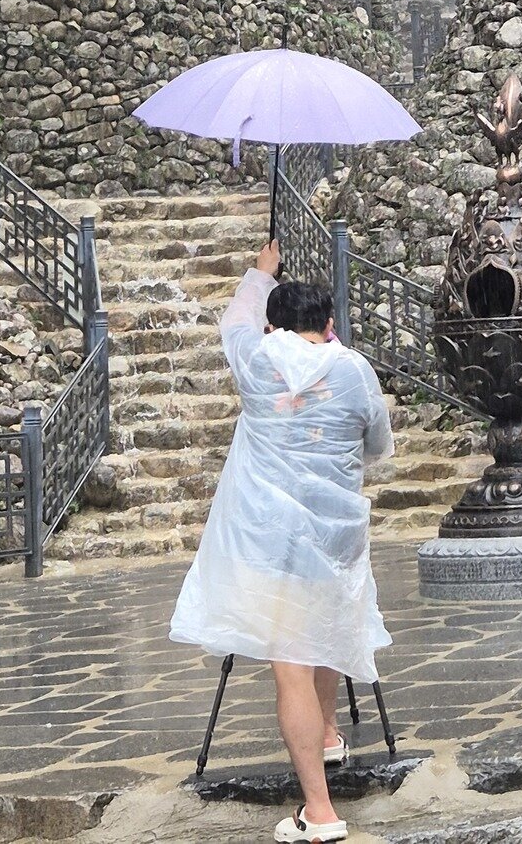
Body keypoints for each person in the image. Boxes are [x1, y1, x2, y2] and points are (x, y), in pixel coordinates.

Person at [170, 248, 394, 844]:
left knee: (290, 664)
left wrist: (262, 270)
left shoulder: (255, 360)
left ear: (275, 323)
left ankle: (319, 813)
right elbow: (377, 444)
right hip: (334, 536)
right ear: (328, 324)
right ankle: (325, 736)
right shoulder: (353, 369)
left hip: (269, 540)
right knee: (318, 640)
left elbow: (233, 322)